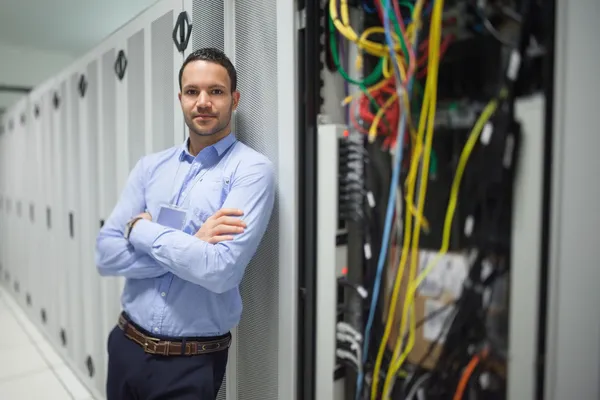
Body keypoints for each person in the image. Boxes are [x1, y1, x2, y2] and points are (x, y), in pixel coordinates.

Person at [95, 47, 275, 399]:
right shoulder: (151, 167)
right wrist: (190, 242)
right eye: (192, 92)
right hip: (125, 346)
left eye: (216, 91)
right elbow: (106, 255)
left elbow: (219, 270)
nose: (203, 101)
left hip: (190, 363)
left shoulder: (251, 170)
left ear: (234, 99)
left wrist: (140, 231)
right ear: (181, 98)